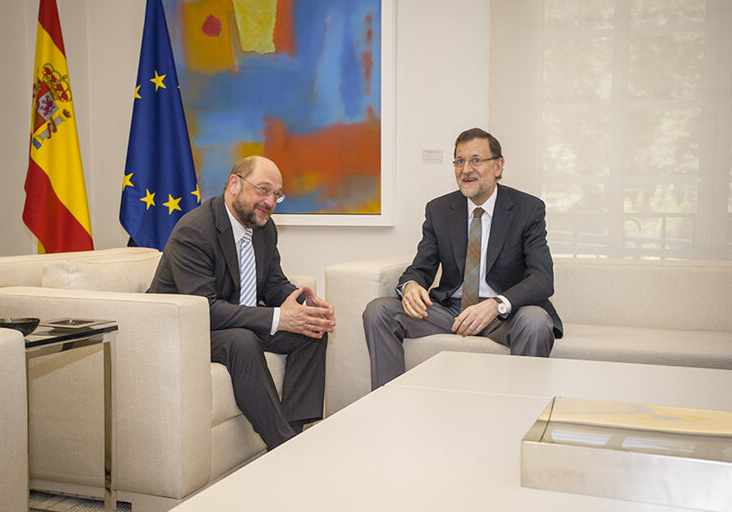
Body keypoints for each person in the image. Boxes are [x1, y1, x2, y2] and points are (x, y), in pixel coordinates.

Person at [148, 156, 335, 449]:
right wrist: (277, 318)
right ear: (234, 184)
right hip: (185, 328)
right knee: (242, 340)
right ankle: (283, 446)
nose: (270, 202)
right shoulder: (195, 231)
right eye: (263, 190)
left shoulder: (263, 228)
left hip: (235, 320)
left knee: (311, 332)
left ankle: (296, 430)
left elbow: (272, 283)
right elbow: (204, 308)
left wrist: (301, 304)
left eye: (276, 195)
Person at [363, 128, 563, 389]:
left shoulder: (527, 209)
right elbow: (421, 266)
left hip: (503, 314)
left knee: (536, 322)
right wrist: (410, 286)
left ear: (498, 166)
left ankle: (521, 417)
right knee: (379, 311)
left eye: (476, 160)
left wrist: (496, 304)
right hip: (450, 311)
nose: (466, 169)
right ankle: (388, 406)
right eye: (459, 161)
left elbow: (542, 279)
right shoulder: (439, 210)